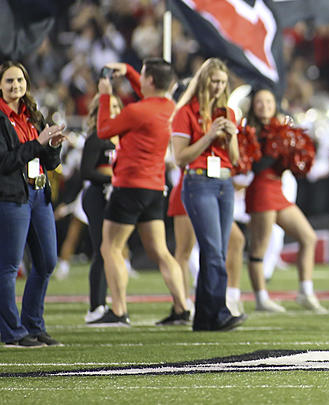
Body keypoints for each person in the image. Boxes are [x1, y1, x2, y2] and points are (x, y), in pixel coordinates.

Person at [93, 59, 190, 327]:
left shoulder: (137, 110)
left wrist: (105, 95)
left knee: (110, 247)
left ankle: (119, 310)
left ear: (149, 80)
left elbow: (104, 129)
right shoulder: (170, 108)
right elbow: (150, 92)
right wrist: (132, 72)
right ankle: (182, 308)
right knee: (160, 251)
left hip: (129, 186)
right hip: (155, 188)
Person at [171, 58, 247, 331]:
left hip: (224, 184)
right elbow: (180, 157)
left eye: (223, 82)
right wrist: (208, 136)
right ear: (203, 81)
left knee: (217, 250)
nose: (219, 87)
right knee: (213, 250)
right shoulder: (185, 112)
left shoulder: (229, 112)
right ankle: (220, 311)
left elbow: (235, 160)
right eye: (214, 81)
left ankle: (204, 318)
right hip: (198, 181)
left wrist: (232, 136)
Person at [0, 61, 66, 347]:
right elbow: (5, 162)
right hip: (12, 196)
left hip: (39, 194)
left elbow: (48, 161)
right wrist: (39, 143)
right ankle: (11, 331)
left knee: (47, 261)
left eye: (20, 80)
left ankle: (33, 325)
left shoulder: (33, 114)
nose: (16, 86)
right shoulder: (1, 118)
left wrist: (53, 146)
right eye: (9, 81)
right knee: (9, 266)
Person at [243, 88, 326, 313]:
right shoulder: (250, 131)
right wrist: (277, 144)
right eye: (259, 102)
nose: (264, 106)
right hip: (260, 189)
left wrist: (296, 153)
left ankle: (305, 292)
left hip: (276, 189)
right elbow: (256, 165)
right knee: (259, 248)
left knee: (308, 237)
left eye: (269, 101)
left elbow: (286, 162)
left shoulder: (279, 129)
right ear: (253, 106)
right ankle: (261, 298)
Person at [80, 93, 121, 324]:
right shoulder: (97, 137)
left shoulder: (124, 137)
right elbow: (86, 172)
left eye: (116, 105)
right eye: (109, 106)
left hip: (116, 198)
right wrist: (112, 180)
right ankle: (96, 306)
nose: (114, 109)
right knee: (102, 250)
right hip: (97, 196)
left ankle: (112, 304)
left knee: (113, 251)